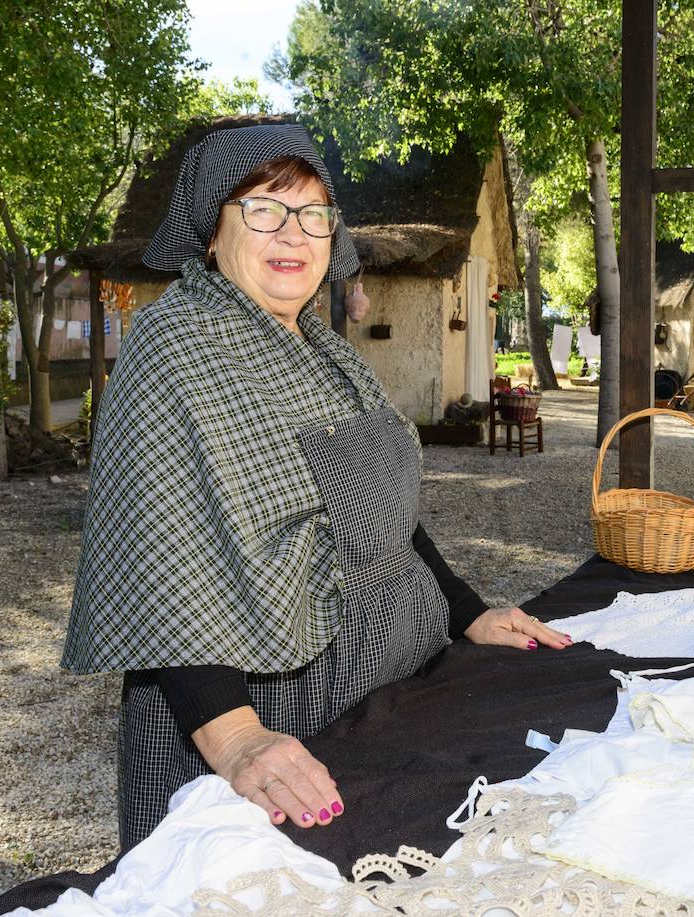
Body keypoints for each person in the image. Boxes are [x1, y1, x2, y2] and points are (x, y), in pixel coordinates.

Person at [62, 124, 572, 850]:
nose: (293, 232)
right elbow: (159, 558)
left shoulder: (330, 353)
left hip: (386, 679)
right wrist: (238, 739)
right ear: (212, 231)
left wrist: (467, 614)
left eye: (313, 214)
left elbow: (386, 516)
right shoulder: (172, 344)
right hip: (269, 700)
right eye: (265, 208)